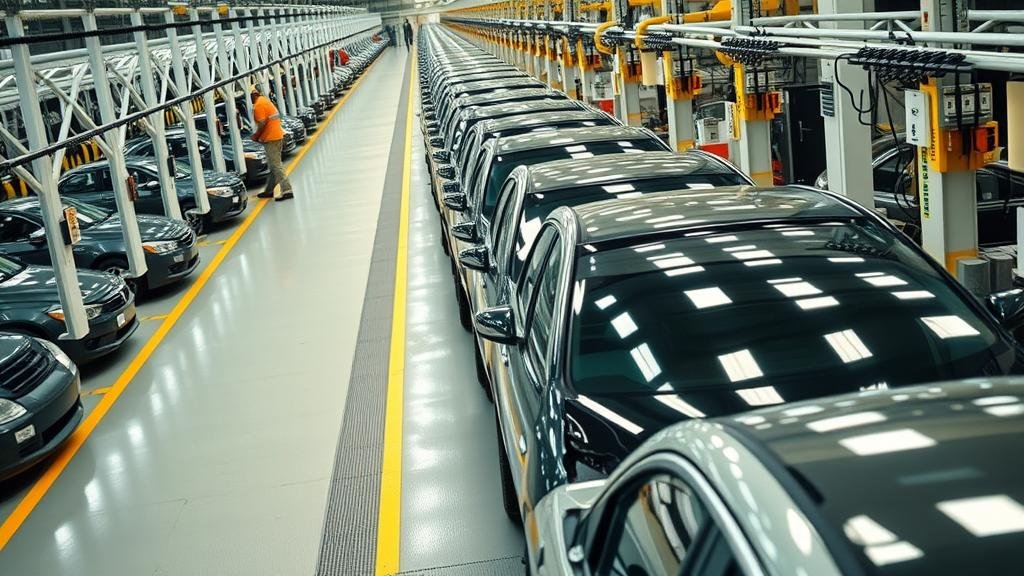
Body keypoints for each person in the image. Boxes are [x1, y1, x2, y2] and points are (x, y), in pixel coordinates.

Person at [250, 87, 293, 202]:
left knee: (276, 165)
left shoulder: (258, 105)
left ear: (254, 95)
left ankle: (287, 189)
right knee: (272, 165)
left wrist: (256, 136)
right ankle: (269, 190)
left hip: (271, 138)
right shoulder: (264, 100)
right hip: (276, 136)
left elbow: (262, 123)